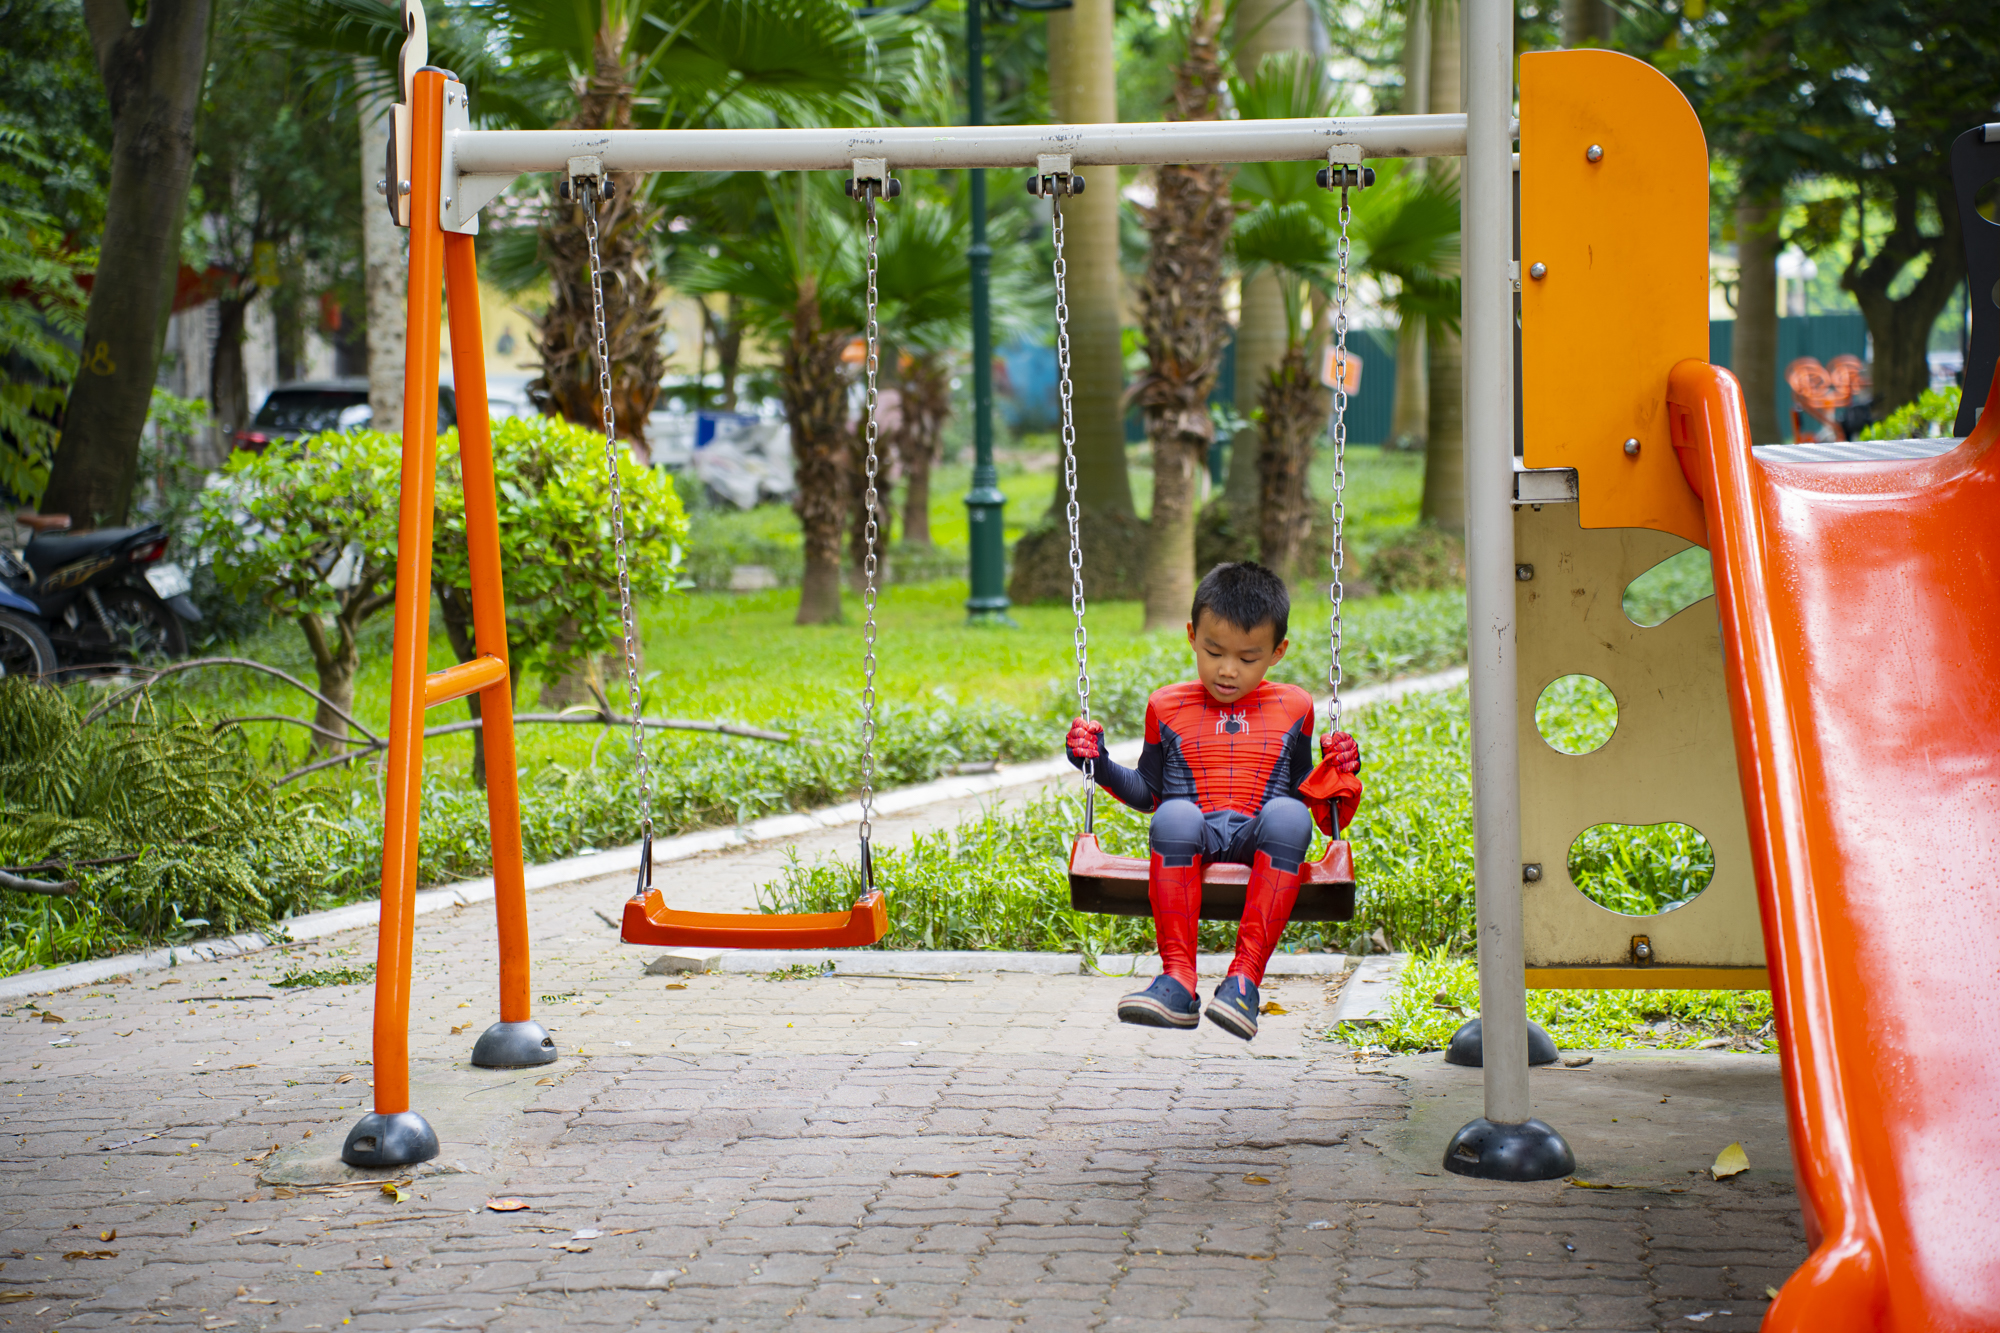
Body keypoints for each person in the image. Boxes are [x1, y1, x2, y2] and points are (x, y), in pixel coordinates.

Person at [1065, 562, 1364, 1040]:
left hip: (1258, 834)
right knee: (1175, 811)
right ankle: (1178, 980)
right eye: (1213, 651)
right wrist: (1095, 761)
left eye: (1248, 658)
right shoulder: (1166, 705)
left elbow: (1303, 786)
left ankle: (1244, 981)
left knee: (1287, 813)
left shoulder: (1295, 706)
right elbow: (1148, 790)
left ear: (1277, 652)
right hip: (1193, 831)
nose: (1228, 670)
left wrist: (1340, 769)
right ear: (1191, 635)